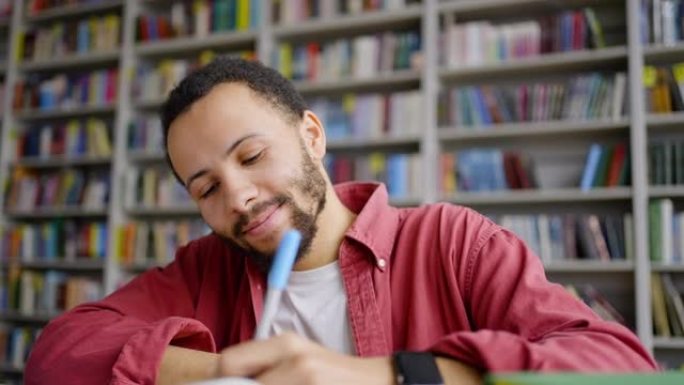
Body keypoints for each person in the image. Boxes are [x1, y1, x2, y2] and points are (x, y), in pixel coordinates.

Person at [25, 57, 657, 385]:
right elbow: (56, 357)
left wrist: (387, 376)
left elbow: (621, 368)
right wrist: (225, 370)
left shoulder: (451, 241)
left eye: (252, 156)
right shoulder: (203, 268)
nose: (239, 197)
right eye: (207, 187)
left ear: (312, 136)